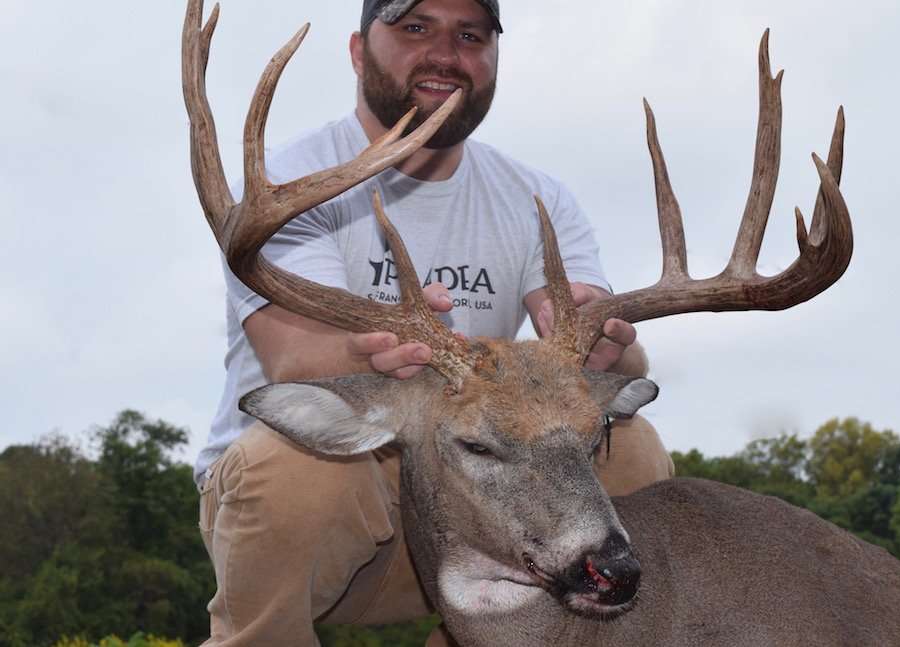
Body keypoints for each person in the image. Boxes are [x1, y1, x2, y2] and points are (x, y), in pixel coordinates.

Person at [194, 0, 674, 645]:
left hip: (486, 511)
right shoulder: (289, 184)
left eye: (470, 35)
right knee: (301, 468)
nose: (446, 53)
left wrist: (600, 343)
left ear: (494, 60)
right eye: (415, 27)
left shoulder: (537, 198)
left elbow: (615, 357)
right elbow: (292, 359)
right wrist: (373, 357)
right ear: (359, 50)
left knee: (629, 446)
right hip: (325, 527)